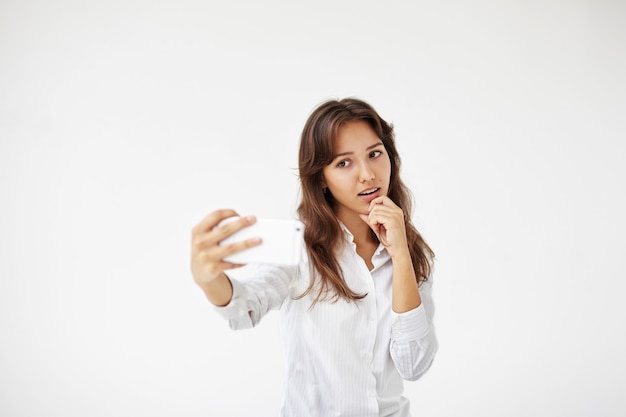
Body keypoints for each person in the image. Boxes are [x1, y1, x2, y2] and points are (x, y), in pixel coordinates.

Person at [190, 98, 438, 417]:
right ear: (321, 177)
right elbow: (244, 307)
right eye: (344, 163)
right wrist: (208, 278)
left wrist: (401, 255)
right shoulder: (302, 248)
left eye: (375, 154)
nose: (367, 175)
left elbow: (413, 364)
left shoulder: (414, 253)